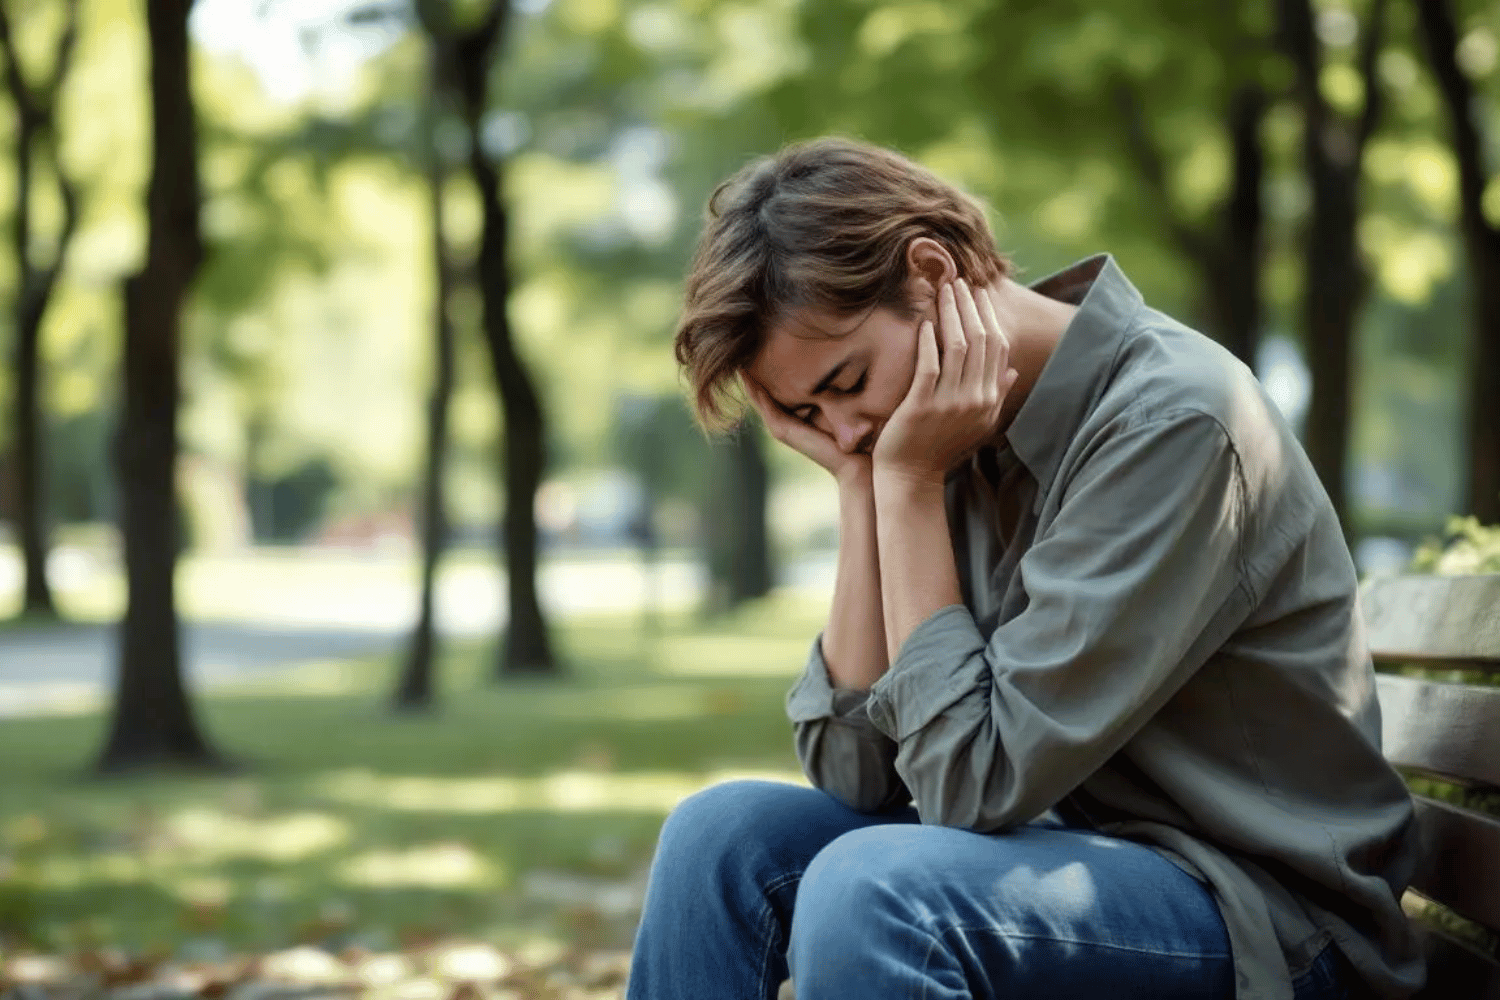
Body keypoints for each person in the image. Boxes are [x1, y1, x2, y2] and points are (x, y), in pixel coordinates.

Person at [626, 137, 1423, 1000]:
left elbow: (970, 787)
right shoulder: (941, 441)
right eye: (808, 413)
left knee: (878, 891)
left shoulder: (1174, 424)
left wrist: (906, 484)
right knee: (722, 837)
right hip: (1092, 866)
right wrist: (864, 488)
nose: (848, 429)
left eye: (849, 381)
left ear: (932, 275)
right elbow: (856, 772)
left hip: (1273, 927)